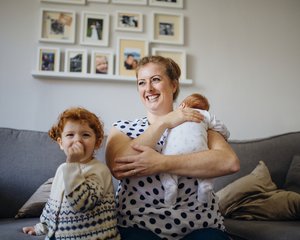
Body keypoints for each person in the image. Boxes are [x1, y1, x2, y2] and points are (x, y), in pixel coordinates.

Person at [105, 55, 239, 240]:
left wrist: (161, 163)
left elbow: (229, 162)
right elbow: (118, 167)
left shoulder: (196, 120)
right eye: (141, 83)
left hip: (200, 225)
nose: (148, 88)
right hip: (138, 226)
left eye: (156, 80)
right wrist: (164, 122)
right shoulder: (123, 128)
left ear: (174, 85)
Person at [23, 107, 120, 240]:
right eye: (70, 135)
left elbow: (82, 203)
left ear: (97, 143)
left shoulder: (99, 170)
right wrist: (41, 227)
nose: (77, 140)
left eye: (85, 135)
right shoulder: (63, 169)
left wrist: (73, 164)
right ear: (61, 143)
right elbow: (52, 205)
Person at [160, 93, 230, 206]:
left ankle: (170, 187)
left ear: (182, 105)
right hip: (198, 150)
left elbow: (164, 131)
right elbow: (220, 127)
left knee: (166, 169)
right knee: (206, 166)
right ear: (205, 109)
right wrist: (226, 136)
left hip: (173, 152)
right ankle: (204, 185)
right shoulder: (205, 115)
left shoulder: (175, 115)